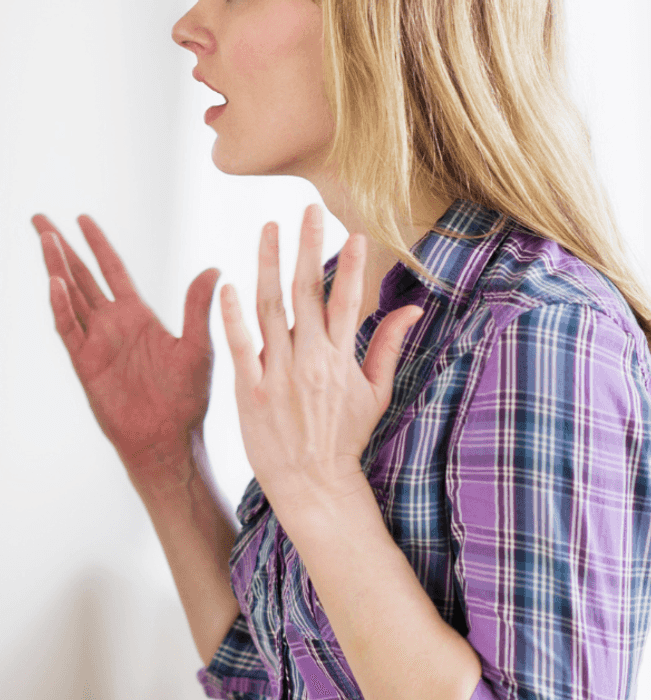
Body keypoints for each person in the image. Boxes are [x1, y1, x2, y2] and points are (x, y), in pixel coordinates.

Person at [33, 0, 651, 698]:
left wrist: (323, 492)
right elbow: (266, 678)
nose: (188, 24)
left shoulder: (540, 332)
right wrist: (163, 461)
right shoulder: (341, 308)